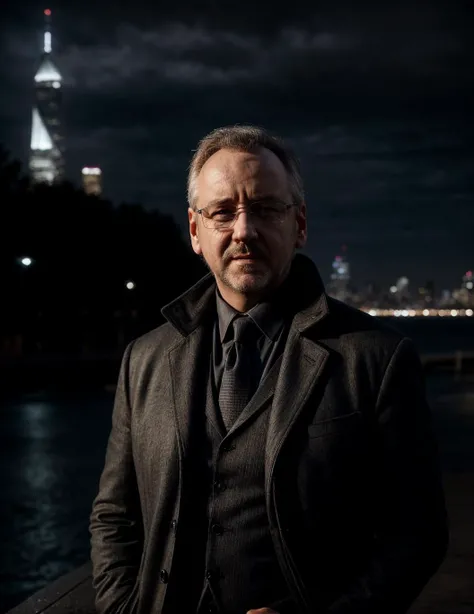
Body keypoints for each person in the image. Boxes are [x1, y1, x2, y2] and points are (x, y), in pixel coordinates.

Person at [89, 125, 448, 614]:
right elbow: (114, 514)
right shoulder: (145, 358)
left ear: (299, 224)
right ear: (196, 231)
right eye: (221, 213)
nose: (243, 231)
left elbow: (419, 533)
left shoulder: (374, 357)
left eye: (264, 209)